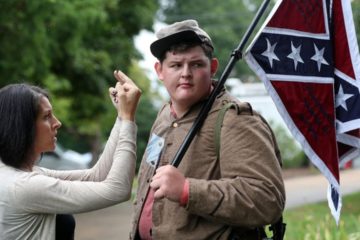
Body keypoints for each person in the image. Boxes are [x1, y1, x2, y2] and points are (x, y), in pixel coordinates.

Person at [129, 19, 285, 240]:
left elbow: (267, 200)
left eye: (196, 64)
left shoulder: (235, 119)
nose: (185, 73)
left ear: (212, 67)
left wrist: (186, 190)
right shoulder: (164, 115)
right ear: (159, 70)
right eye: (175, 65)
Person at [0, 70, 141, 240]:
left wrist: (121, 116)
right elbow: (118, 190)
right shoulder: (23, 186)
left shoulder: (21, 175)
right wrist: (128, 118)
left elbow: (96, 176)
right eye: (46, 117)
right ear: (21, 126)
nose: (57, 123)